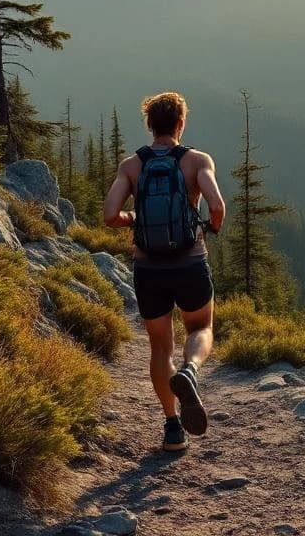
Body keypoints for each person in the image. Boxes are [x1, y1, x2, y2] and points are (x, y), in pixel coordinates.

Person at [103, 92, 226, 452]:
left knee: (160, 346)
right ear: (180, 123)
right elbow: (216, 205)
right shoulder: (197, 161)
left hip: (148, 268)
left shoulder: (131, 166)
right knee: (201, 326)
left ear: (149, 125)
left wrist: (133, 218)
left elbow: (110, 215)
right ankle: (190, 370)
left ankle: (173, 428)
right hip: (189, 261)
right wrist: (211, 228)